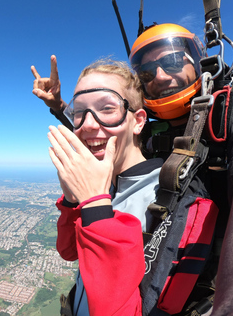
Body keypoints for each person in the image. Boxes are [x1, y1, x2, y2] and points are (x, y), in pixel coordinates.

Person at [34, 23, 233, 315]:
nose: (160, 76)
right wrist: (61, 107)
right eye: (147, 73)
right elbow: (101, 130)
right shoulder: (116, 164)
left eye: (172, 61)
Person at [48, 58, 165, 315]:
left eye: (107, 108)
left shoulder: (166, 197)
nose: (88, 124)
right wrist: (71, 201)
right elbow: (69, 252)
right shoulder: (102, 183)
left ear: (138, 121)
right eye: (79, 112)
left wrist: (96, 205)